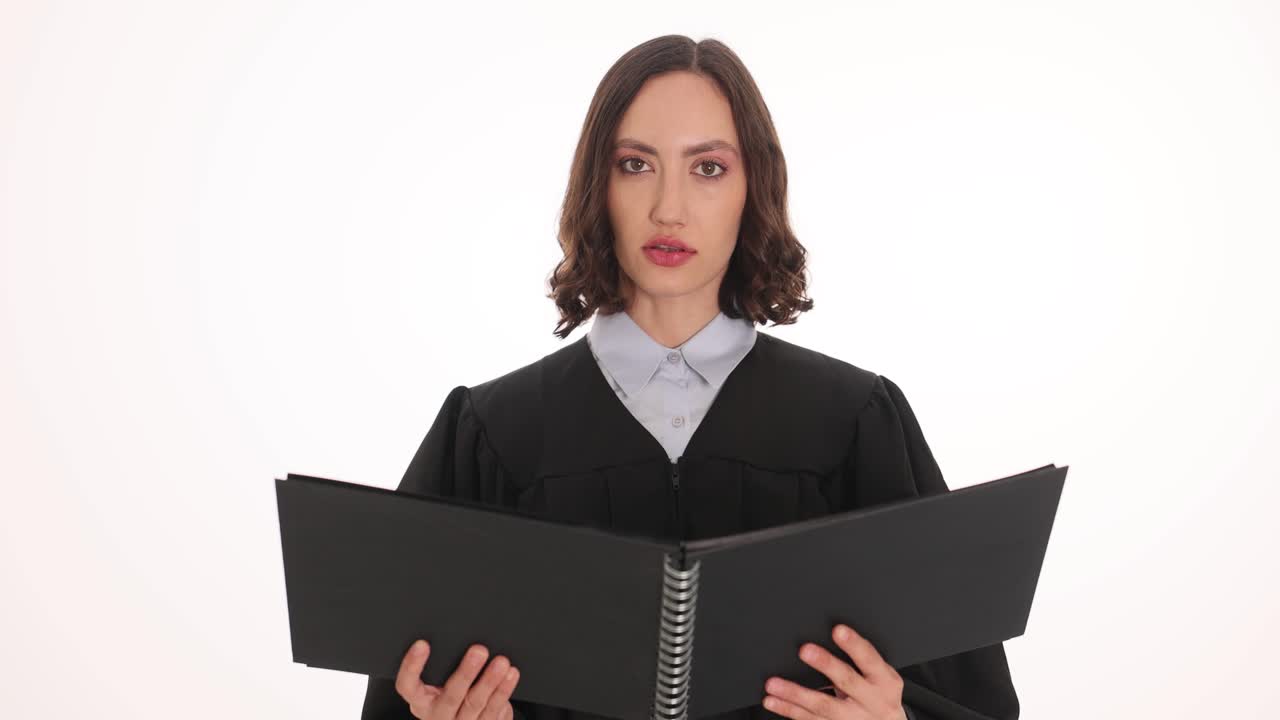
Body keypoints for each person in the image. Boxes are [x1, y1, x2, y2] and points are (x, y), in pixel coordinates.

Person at [359, 35, 1019, 720]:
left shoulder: (853, 425)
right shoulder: (493, 435)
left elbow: (975, 701)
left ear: (751, 188)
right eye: (636, 164)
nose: (668, 207)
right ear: (599, 185)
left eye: (707, 167)